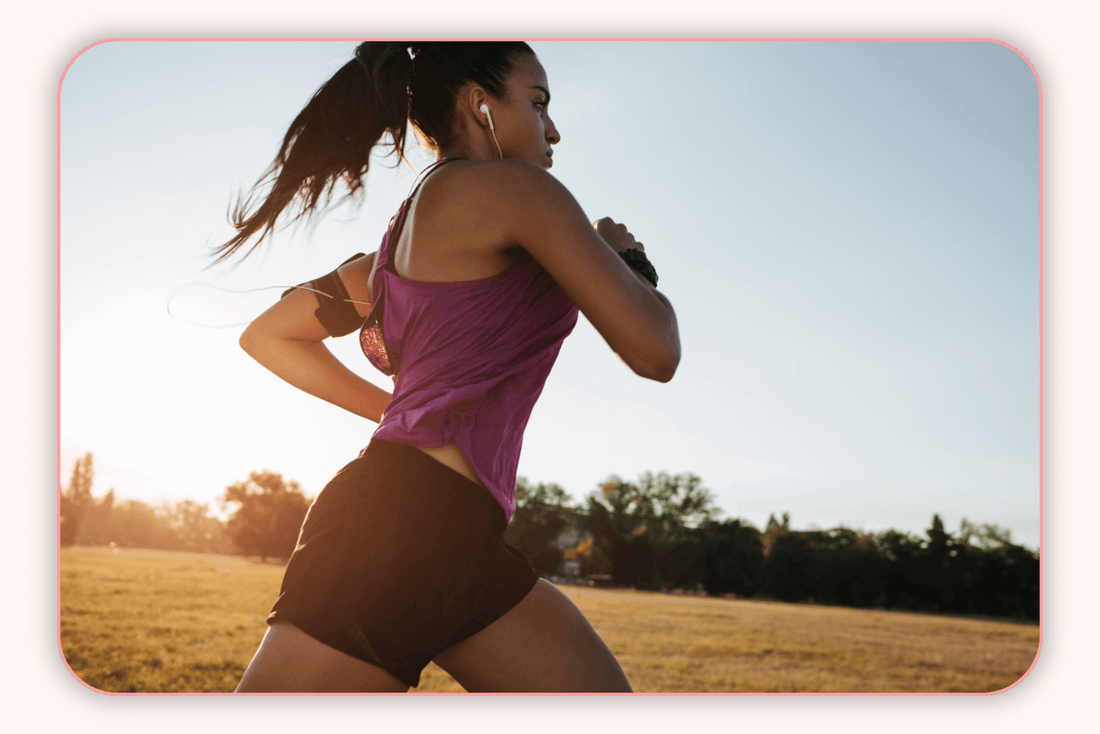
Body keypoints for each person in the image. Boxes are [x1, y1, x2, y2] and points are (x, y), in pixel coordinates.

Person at [219, 42, 680, 693]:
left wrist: (400, 415)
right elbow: (655, 349)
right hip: (400, 527)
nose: (553, 130)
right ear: (479, 104)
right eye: (538, 102)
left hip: (460, 537)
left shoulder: (385, 258)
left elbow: (269, 336)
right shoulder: (520, 190)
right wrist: (628, 260)